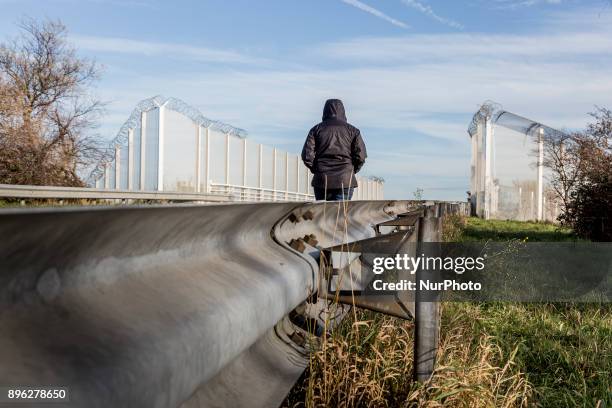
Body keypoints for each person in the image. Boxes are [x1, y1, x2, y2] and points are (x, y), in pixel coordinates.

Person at [301, 99, 367, 201]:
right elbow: (361, 156)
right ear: (343, 111)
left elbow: (307, 156)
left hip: (322, 179)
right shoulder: (353, 131)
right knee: (341, 214)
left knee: (324, 214)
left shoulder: (316, 129)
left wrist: (317, 170)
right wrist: (351, 171)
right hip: (345, 180)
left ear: (325, 111)